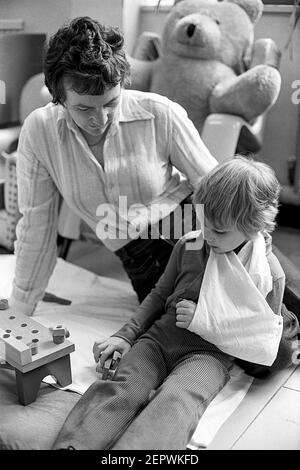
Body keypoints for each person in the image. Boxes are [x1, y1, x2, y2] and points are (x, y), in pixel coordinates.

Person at [53, 155, 296, 450]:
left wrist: (205, 317)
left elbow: (258, 335)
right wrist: (125, 335)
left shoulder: (268, 274)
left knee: (175, 402)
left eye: (219, 231)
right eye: (203, 221)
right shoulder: (190, 244)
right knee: (121, 388)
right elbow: (158, 294)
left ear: (254, 226)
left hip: (208, 356)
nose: (207, 235)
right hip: (158, 340)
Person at [10, 16, 216, 316]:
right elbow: (36, 225)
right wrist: (20, 308)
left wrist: (251, 239)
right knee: (216, 335)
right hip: (143, 259)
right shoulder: (40, 131)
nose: (101, 119)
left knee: (283, 294)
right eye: (84, 108)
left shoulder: (160, 113)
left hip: (196, 224)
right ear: (59, 98)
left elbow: (214, 184)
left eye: (110, 103)